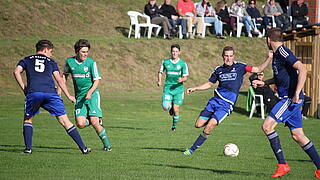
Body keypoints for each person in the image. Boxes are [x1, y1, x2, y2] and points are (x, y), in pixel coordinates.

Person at [252, 28, 320, 178]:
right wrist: (265, 83)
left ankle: (282, 165)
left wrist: (296, 93)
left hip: (289, 99)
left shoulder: (283, 52)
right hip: (290, 99)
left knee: (267, 126)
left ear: (268, 39)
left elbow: (301, 69)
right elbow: (281, 78)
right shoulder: (277, 55)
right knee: (298, 135)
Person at [182, 45, 273, 156]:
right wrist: (195, 88)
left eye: (230, 56)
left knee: (210, 125)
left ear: (233, 56)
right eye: (226, 56)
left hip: (226, 105)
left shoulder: (241, 67)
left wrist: (269, 58)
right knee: (198, 124)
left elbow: (258, 69)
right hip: (215, 101)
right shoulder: (218, 70)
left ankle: (191, 150)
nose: (228, 58)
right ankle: (212, 118)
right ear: (222, 56)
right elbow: (210, 84)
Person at [13, 40, 90, 154]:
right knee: (65, 121)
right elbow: (59, 80)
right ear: (45, 50)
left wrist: (24, 88)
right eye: (50, 51)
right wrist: (68, 95)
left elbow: (16, 72)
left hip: (34, 92)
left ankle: (28, 149)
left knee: (28, 119)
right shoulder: (51, 62)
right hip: (51, 93)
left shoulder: (26, 60)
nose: (51, 54)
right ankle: (83, 148)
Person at [61, 39, 112, 151]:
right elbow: (64, 77)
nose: (85, 54)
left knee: (94, 122)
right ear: (77, 51)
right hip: (79, 97)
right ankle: (95, 120)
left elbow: (97, 80)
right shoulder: (69, 62)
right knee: (80, 124)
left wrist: (90, 92)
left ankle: (107, 146)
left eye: (87, 52)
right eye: (83, 52)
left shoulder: (91, 63)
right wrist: (60, 93)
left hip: (92, 95)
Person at [158, 44, 189, 131]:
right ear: (171, 52)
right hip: (168, 89)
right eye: (173, 51)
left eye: (176, 51)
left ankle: (174, 127)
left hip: (178, 90)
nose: (174, 53)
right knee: (165, 107)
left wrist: (182, 79)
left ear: (179, 52)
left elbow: (186, 77)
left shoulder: (183, 63)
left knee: (176, 109)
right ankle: (169, 107)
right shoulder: (165, 62)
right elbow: (160, 72)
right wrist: (159, 81)